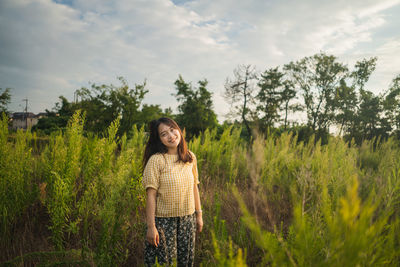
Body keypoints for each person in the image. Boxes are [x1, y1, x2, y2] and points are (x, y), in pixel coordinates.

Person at [142, 117, 203, 267]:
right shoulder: (157, 160)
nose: (170, 135)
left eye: (172, 129)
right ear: (159, 139)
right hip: (164, 222)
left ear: (178, 130)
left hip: (187, 220)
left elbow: (194, 187)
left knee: (186, 262)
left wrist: (199, 215)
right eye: (164, 134)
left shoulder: (190, 157)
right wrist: (151, 227)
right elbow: (151, 195)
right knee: (166, 263)